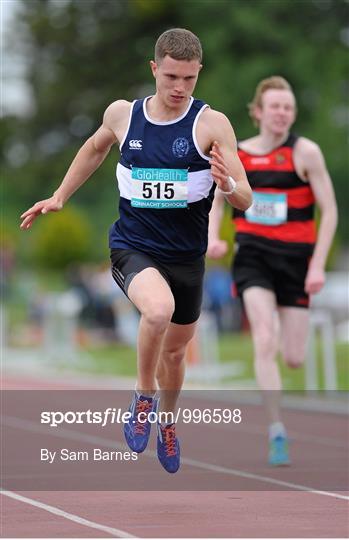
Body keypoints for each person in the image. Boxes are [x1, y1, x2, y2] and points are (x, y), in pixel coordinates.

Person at [20, 28, 252, 473]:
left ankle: (168, 420)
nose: (180, 88)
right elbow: (93, 148)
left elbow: (246, 198)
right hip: (133, 246)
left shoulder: (212, 124)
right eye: (171, 77)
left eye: (189, 78)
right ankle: (142, 397)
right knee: (157, 312)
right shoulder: (124, 115)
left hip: (186, 257)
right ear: (154, 69)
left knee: (176, 353)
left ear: (198, 72)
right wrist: (60, 196)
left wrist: (227, 184)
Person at [207, 76, 338, 466]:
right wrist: (214, 237)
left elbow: (329, 210)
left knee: (294, 356)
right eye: (275, 106)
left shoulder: (307, 153)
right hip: (253, 256)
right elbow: (217, 199)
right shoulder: (238, 154)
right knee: (264, 338)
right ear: (259, 112)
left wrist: (317, 265)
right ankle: (276, 429)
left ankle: (284, 348)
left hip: (296, 262)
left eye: (289, 107)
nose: (282, 113)